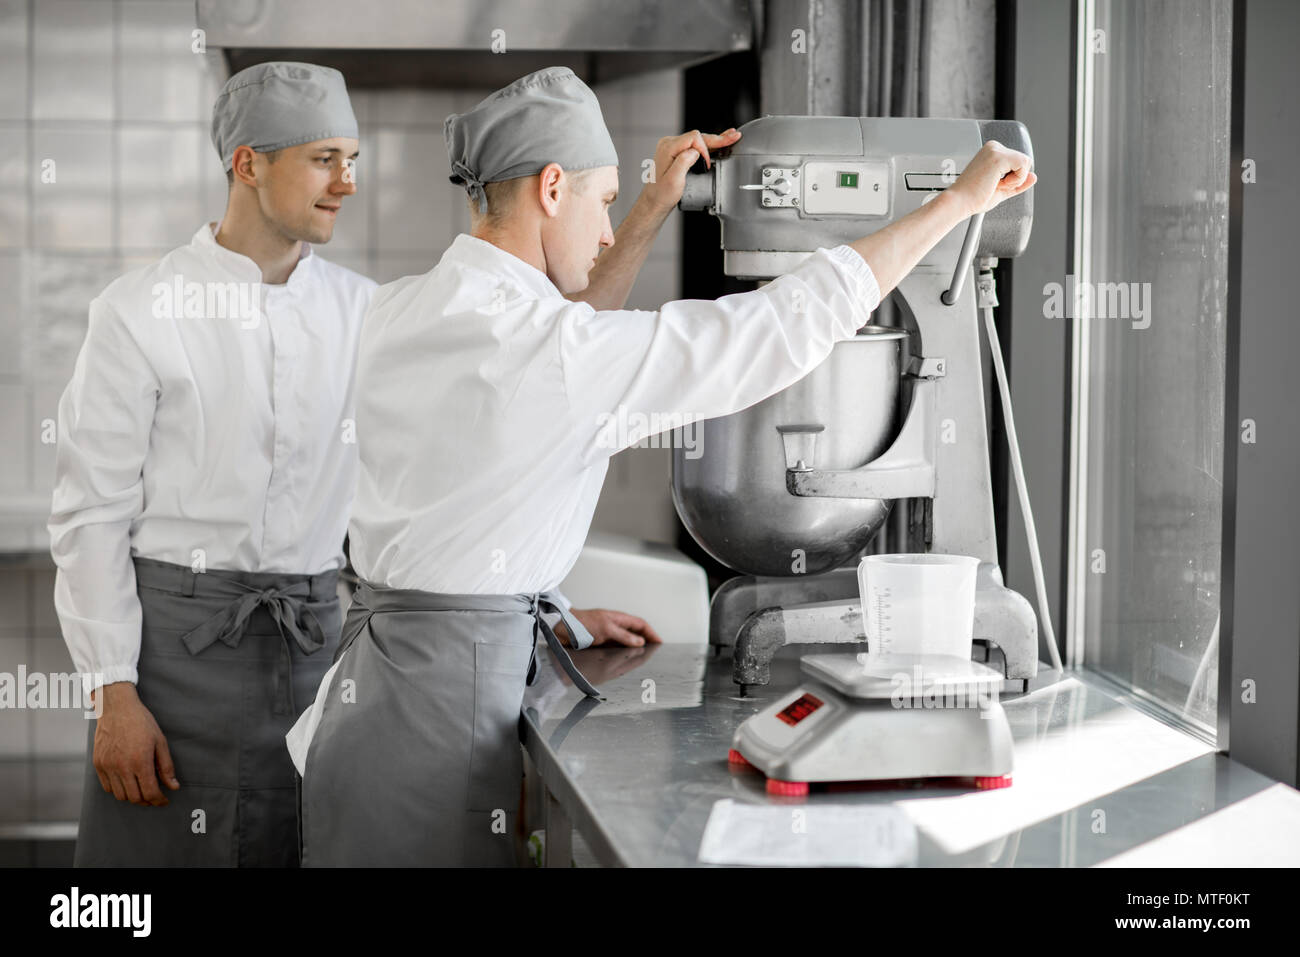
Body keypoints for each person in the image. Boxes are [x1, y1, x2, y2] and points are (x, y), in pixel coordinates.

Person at [289, 65, 1036, 867]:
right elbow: (772, 329)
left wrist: (547, 615)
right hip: (440, 719)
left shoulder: (403, 307)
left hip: (376, 700)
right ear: (550, 189)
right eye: (603, 202)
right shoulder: (548, 351)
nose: (607, 231)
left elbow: (553, 372)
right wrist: (953, 206)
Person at [49, 61, 376, 867]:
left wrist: (556, 602)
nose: (348, 183)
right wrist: (113, 693)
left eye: (353, 160)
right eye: (325, 158)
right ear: (249, 164)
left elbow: (441, 474)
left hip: (313, 661)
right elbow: (92, 512)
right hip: (168, 666)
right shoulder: (137, 312)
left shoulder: (367, 312)